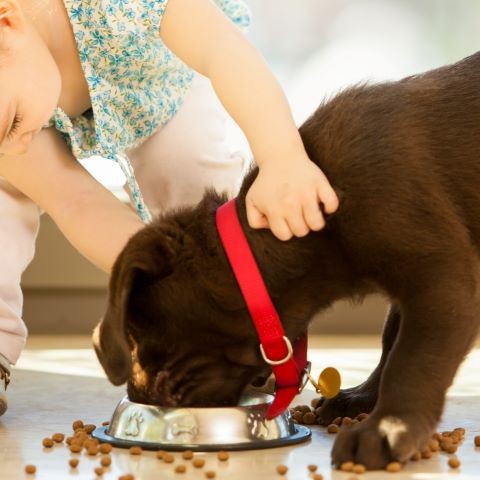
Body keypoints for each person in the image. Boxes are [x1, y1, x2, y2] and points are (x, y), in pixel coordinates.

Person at [0, 0, 339, 415]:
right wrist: (153, 280)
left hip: (162, 81)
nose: (14, 145)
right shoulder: (9, 107)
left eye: (12, 123)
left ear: (7, 22)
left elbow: (222, 50)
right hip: (46, 99)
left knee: (189, 174)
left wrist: (282, 156)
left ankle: (236, 328)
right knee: (5, 195)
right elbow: (76, 201)